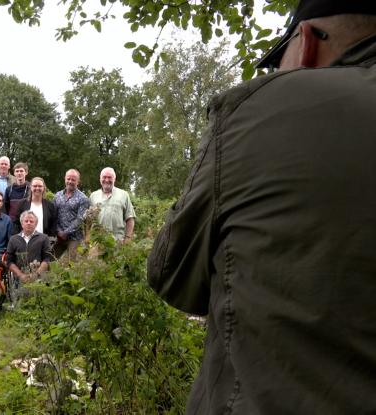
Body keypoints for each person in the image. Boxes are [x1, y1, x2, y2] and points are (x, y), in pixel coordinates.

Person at [148, 1, 376, 413]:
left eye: (274, 60)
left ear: (305, 41)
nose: (272, 73)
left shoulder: (256, 110)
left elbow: (170, 273)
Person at [89, 167, 135, 242]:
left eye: (110, 177)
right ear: (100, 179)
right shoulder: (93, 196)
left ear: (114, 179)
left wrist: (128, 238)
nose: (107, 180)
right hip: (97, 242)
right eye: (104, 177)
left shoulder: (124, 195)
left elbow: (130, 218)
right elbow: (89, 221)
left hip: (118, 241)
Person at [53, 168, 90, 259]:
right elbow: (54, 215)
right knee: (51, 260)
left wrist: (65, 233)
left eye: (73, 180)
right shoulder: (57, 195)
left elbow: (80, 219)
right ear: (65, 179)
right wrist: (58, 232)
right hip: (58, 236)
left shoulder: (83, 199)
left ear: (78, 181)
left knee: (73, 265)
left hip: (75, 238)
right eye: (68, 179)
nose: (70, 181)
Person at [7, 210, 52, 283]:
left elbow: (47, 259)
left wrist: (36, 274)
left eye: (31, 221)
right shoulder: (13, 239)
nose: (29, 223)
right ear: (22, 223)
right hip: (19, 278)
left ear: (36, 224)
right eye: (26, 221)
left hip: (39, 278)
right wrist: (21, 275)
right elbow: (9, 261)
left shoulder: (44, 238)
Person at [4, 162, 30, 227]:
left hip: (27, 223)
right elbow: (5, 207)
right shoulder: (9, 190)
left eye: (21, 171)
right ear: (14, 173)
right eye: (17, 171)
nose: (19, 173)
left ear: (26, 172)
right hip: (12, 224)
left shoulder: (31, 189)